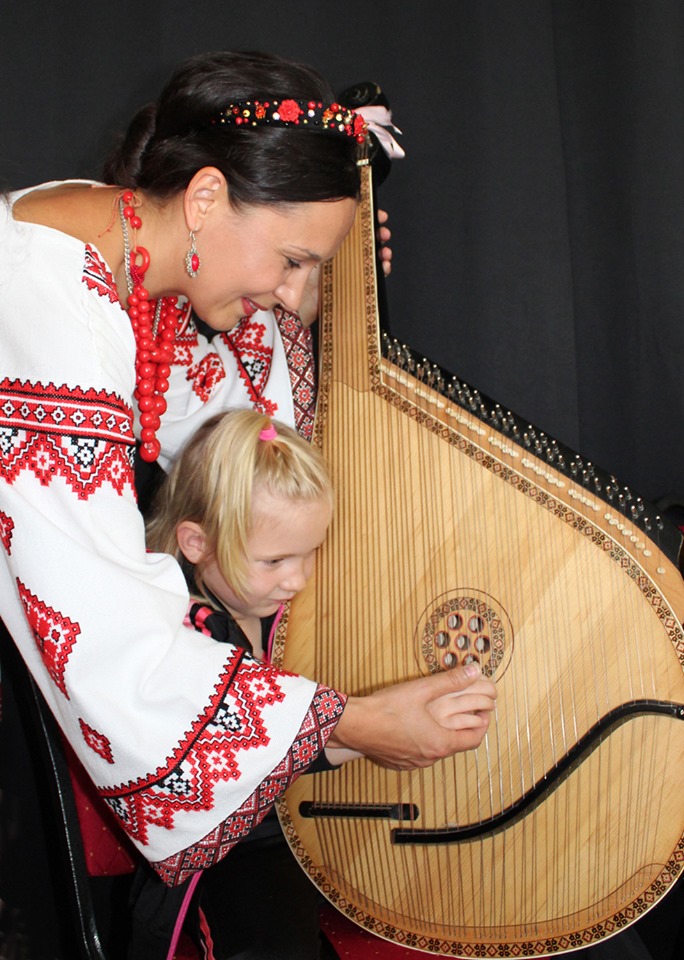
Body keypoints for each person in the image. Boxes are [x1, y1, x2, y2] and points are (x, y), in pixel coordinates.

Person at [0, 44, 496, 929]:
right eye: (293, 260)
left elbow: (248, 427)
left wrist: (335, 296)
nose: (294, 295)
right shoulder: (42, 301)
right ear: (205, 198)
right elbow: (107, 638)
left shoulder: (124, 252)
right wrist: (348, 725)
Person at [134, 407, 497, 959]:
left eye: (311, 553)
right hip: (226, 849)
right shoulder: (177, 632)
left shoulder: (285, 605)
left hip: (305, 823)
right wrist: (369, 732)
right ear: (196, 543)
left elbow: (302, 733)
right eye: (274, 560)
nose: (298, 579)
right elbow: (241, 755)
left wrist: (383, 731)